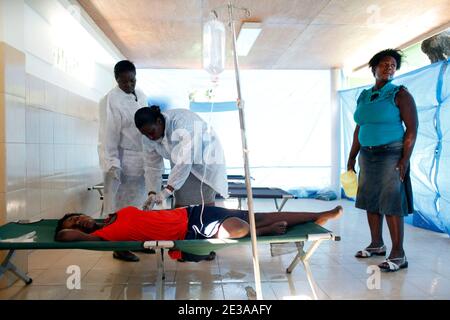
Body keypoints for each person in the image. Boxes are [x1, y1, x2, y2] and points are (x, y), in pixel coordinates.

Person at [54, 205, 343, 261]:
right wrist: (71, 228)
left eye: (77, 217)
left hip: (191, 212)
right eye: (74, 224)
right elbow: (64, 237)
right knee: (233, 230)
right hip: (190, 231)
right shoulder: (102, 237)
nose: (79, 222)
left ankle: (318, 215)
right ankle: (264, 229)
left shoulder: (113, 215)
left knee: (261, 215)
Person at [347, 49, 418, 272]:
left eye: (393, 66)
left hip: (391, 154)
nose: (389, 68)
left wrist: (405, 160)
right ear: (374, 68)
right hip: (367, 155)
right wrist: (351, 158)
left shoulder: (400, 94)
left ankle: (399, 254)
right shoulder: (364, 96)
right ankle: (377, 244)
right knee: (370, 200)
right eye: (385, 64)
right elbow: (360, 127)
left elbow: (412, 129)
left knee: (391, 202)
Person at [98, 60, 149, 262]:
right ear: (116, 79)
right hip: (123, 158)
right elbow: (107, 134)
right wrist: (112, 163)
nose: (129, 85)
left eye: (132, 80)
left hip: (142, 157)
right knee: (122, 208)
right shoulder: (109, 100)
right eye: (124, 81)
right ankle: (120, 247)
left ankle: (139, 242)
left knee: (141, 205)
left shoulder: (142, 94)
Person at [134, 106, 228, 210]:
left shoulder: (183, 123)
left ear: (159, 121)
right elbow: (152, 166)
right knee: (181, 206)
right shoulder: (148, 137)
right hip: (180, 161)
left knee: (203, 207)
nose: (150, 137)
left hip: (204, 161)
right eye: (145, 134)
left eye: (151, 132)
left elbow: (186, 159)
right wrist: (152, 192)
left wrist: (167, 190)